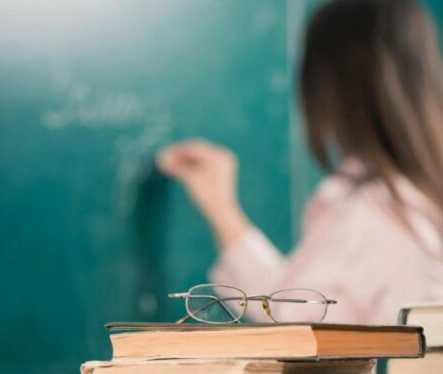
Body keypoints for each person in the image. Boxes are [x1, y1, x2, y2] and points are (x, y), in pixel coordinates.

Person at [157, 0, 443, 325]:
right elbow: (299, 306)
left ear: (326, 85)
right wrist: (223, 211)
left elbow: (304, 322)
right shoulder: (401, 204)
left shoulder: (378, 216)